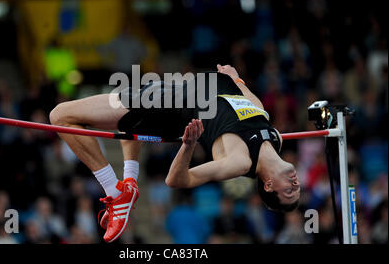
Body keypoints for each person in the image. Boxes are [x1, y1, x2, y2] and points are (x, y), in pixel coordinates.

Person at [49, 64, 300, 243]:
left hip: (166, 105)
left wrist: (188, 146)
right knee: (129, 124)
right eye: (297, 189)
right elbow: (255, 106)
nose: (296, 184)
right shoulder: (274, 138)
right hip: (172, 89)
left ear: (268, 185)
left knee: (60, 116)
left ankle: (115, 192)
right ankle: (128, 183)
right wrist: (237, 81)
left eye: (288, 191)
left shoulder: (239, 161)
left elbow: (177, 180)